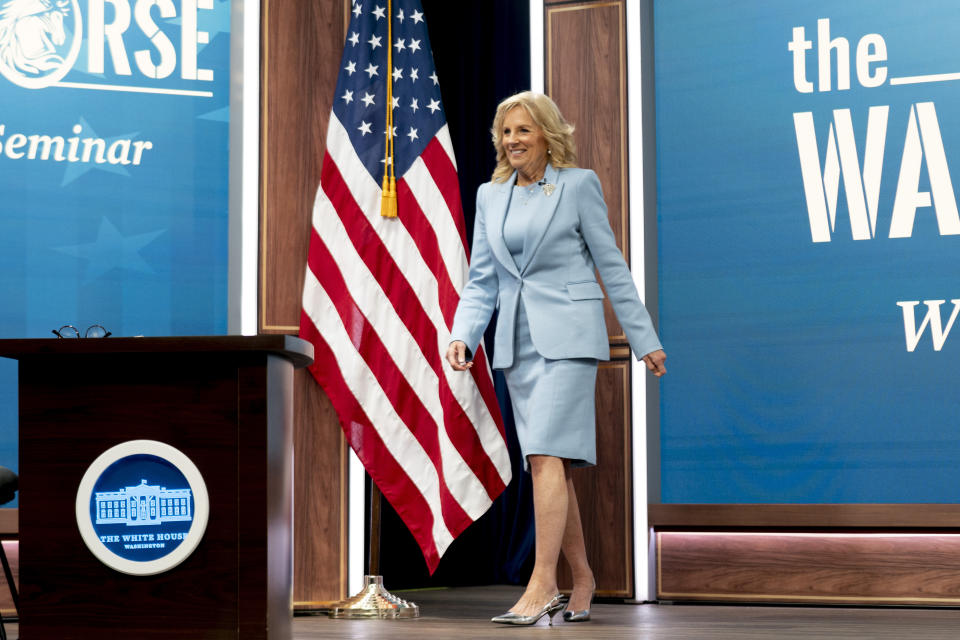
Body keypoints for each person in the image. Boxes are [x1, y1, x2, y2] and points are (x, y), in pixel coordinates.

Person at [445, 91, 666, 626]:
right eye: (505, 132)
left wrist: (644, 337)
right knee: (552, 466)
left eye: (523, 130)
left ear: (547, 134)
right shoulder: (490, 195)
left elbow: (611, 266)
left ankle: (542, 584)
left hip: (568, 340)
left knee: (545, 457)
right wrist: (464, 334)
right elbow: (482, 279)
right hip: (516, 346)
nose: (512, 141)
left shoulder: (577, 185)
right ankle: (583, 577)